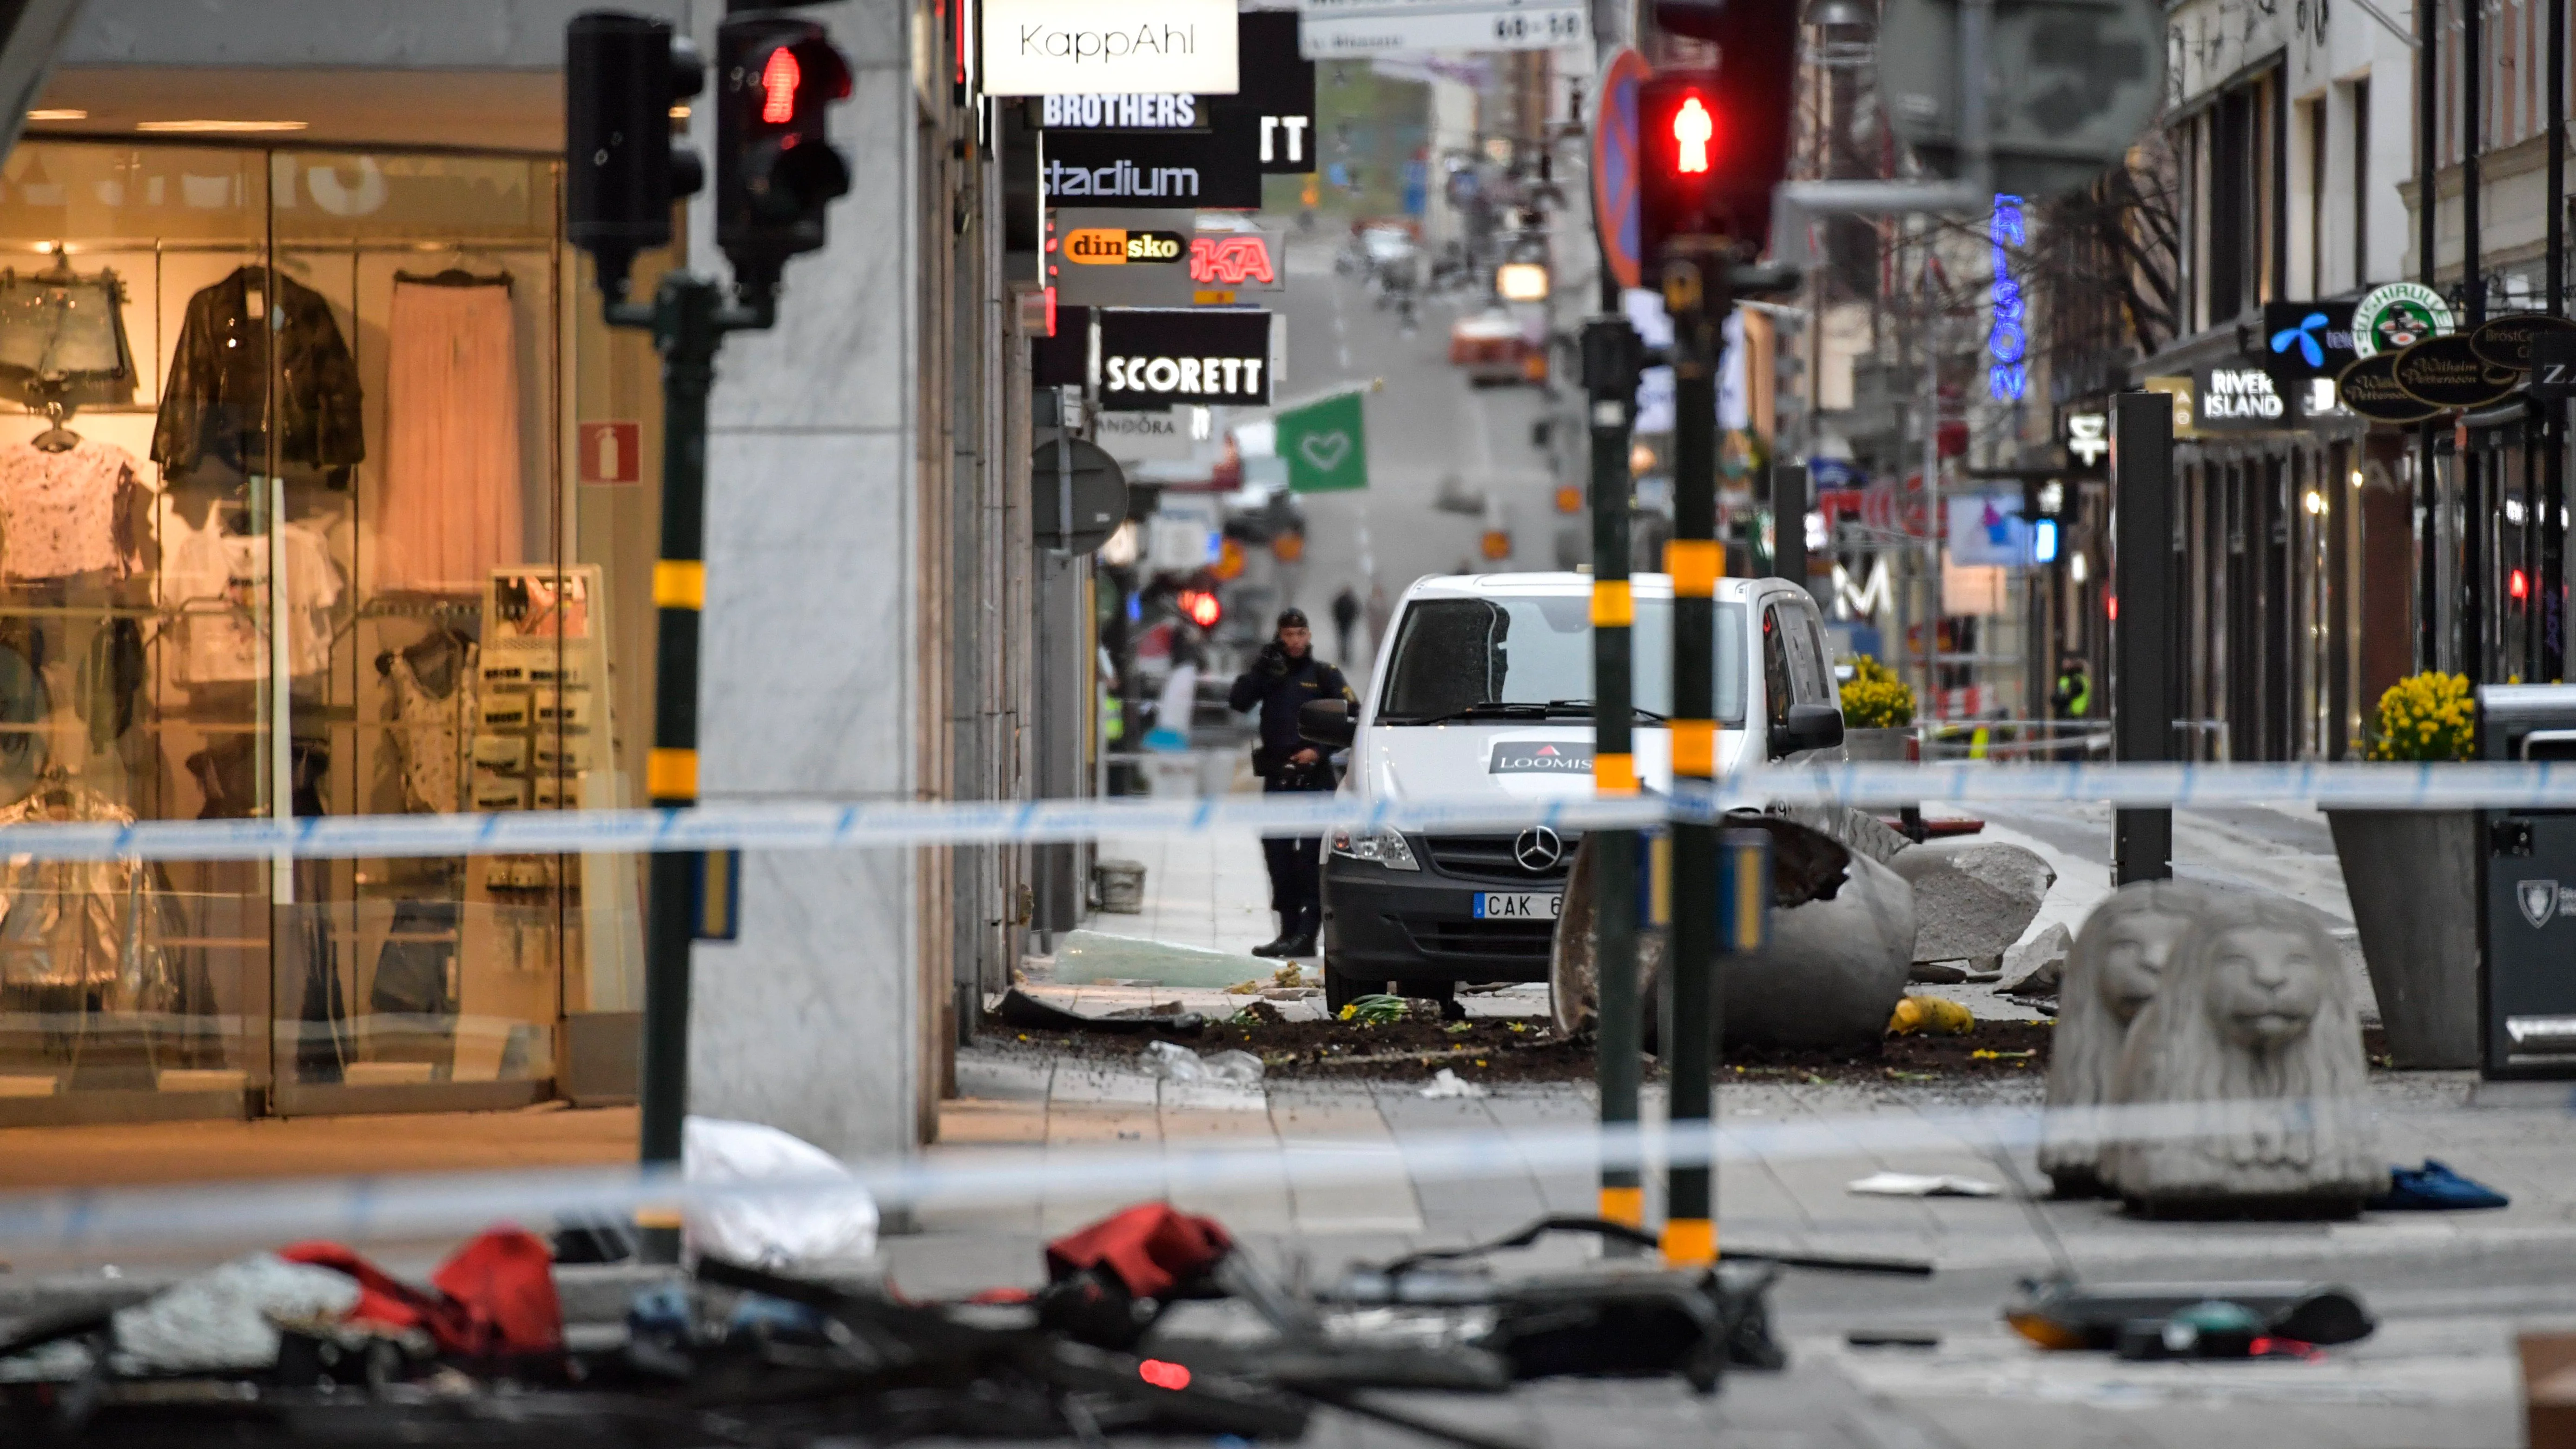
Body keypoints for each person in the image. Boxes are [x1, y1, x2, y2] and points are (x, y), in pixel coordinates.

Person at [1229, 608, 1354, 957]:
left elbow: (1350, 719)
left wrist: (1319, 751)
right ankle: (1287, 931)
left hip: (1314, 782)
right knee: (1279, 857)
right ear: (1279, 636)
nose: (1295, 641)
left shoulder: (1324, 675)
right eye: (1288, 635)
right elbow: (1238, 702)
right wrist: (1260, 672)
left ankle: (1307, 933)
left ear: (1309, 635)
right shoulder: (1271, 672)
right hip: (1279, 779)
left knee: (1313, 857)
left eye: (1300, 634)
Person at [1330, 586, 1362, 667]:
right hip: (1344, 623)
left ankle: (1345, 658)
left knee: (1344, 640)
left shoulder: (1346, 600)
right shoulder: (1348, 600)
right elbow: (1335, 610)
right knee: (1345, 640)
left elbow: (1357, 611)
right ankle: (1345, 658)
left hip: (1346, 623)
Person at [2052, 656, 2092, 720]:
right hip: (2066, 715)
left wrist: (2057, 698)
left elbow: (2068, 696)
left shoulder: (2078, 682)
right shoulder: (2066, 680)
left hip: (2074, 716)